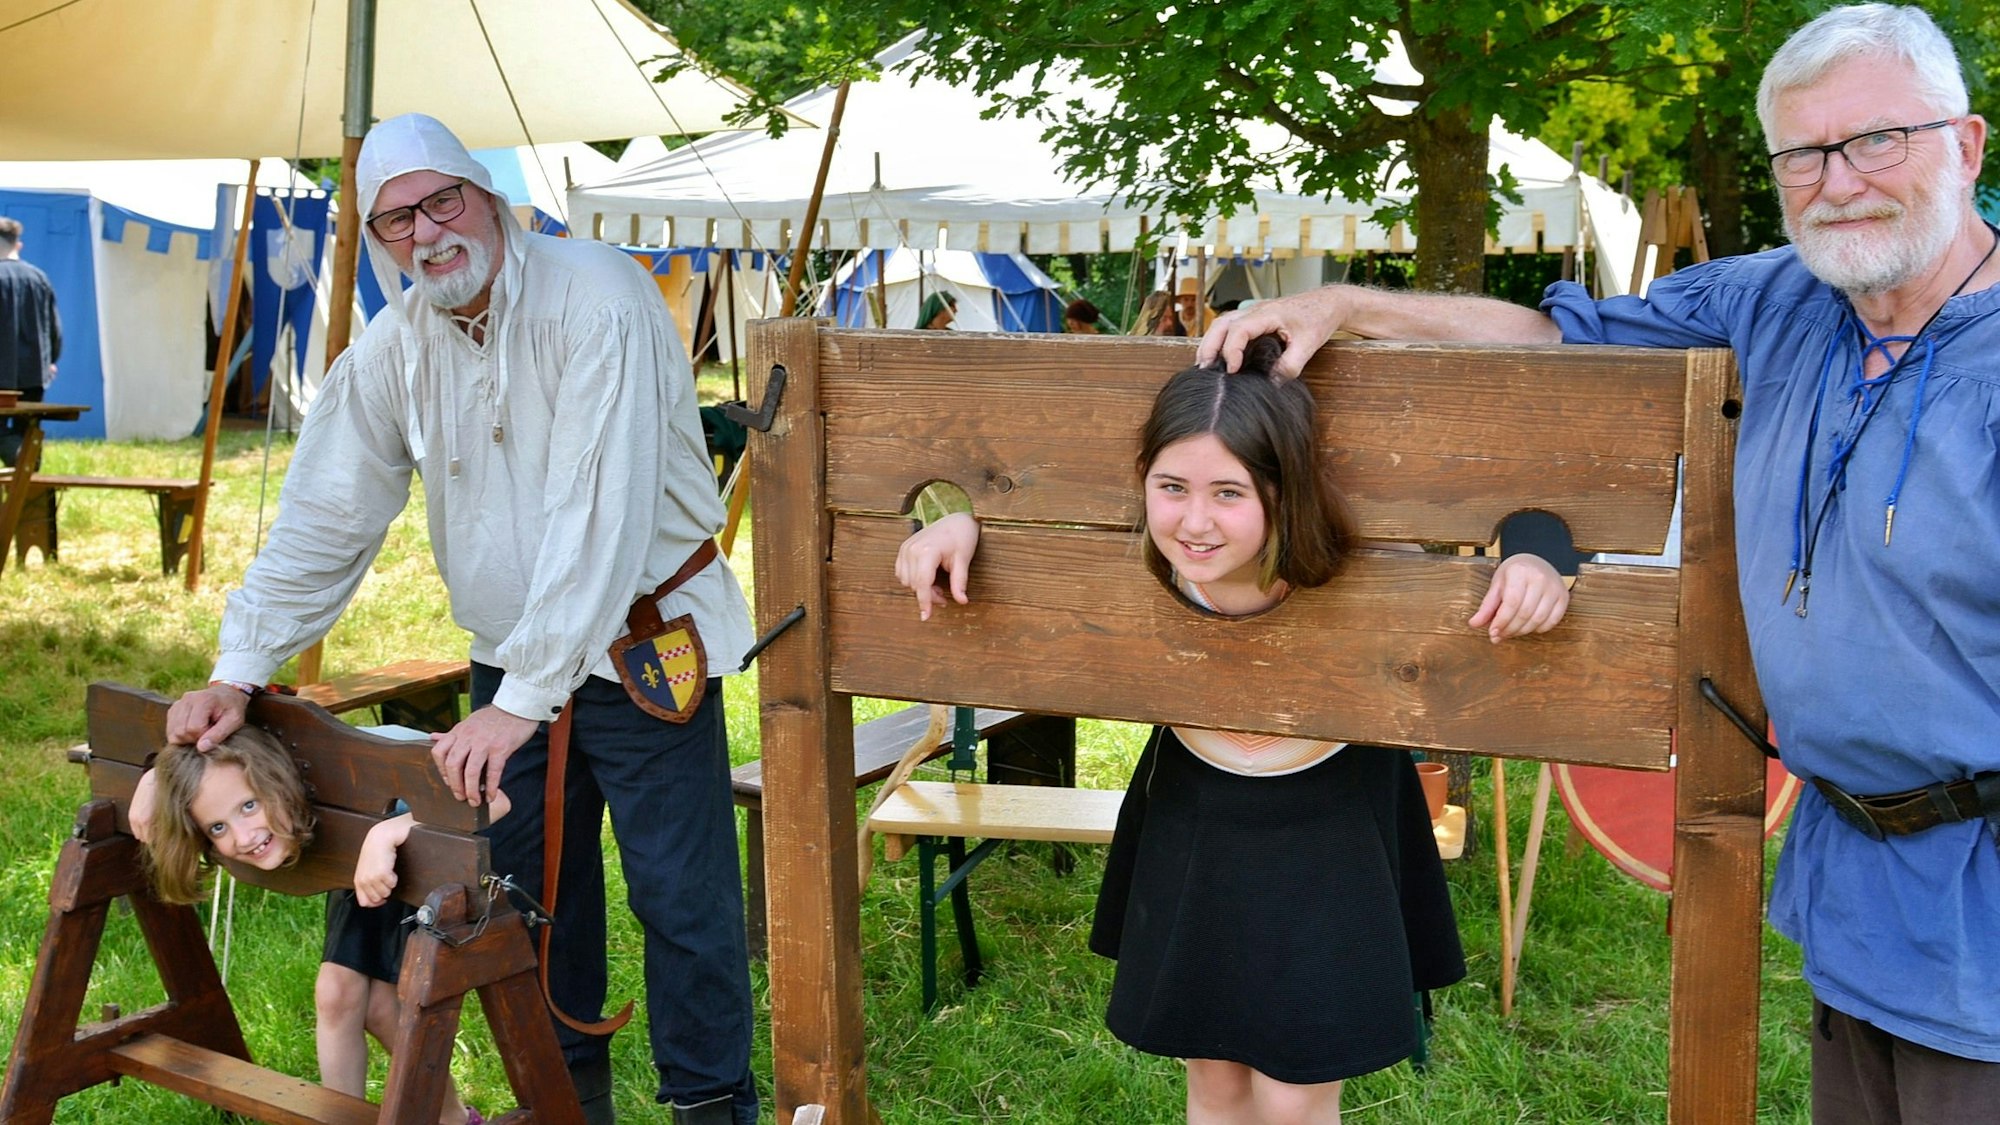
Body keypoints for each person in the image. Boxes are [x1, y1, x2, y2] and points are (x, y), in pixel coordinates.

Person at [1200, 6, 2000, 1119]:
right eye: (1802, 155)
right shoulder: (1774, 305)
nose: (1839, 181)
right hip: (1856, 893)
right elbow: (1554, 344)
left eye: (1875, 141)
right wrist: (1349, 302)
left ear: (1963, 146)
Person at [141, 114, 759, 1125]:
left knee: (680, 899)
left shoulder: (600, 298)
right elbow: (327, 512)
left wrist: (523, 702)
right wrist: (239, 663)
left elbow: (595, 517)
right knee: (523, 908)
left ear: (488, 198)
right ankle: (567, 1106)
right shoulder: (396, 348)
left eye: (442, 201)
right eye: (396, 221)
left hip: (640, 647)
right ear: (378, 241)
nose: (428, 233)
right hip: (508, 671)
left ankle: (710, 1107)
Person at [894, 336, 1569, 1122]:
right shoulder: (1128, 559)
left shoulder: (1370, 560)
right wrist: (953, 521)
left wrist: (1537, 555)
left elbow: (1538, 503)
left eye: (1230, 492)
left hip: (1332, 826)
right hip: (1198, 812)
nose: (1194, 520)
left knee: (1293, 1092)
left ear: (1286, 493)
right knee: (1213, 1073)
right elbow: (986, 497)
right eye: (1171, 486)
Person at [136, 728, 495, 1125]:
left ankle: (454, 1120)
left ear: (276, 780)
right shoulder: (234, 774)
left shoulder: (346, 769)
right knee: (338, 995)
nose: (243, 836)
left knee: (373, 1004)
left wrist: (387, 832)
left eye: (249, 806)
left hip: (414, 837)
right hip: (357, 860)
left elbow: (495, 798)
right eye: (216, 828)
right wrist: (155, 775)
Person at [0, 216, 61, 467]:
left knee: (5, 435)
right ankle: (34, 498)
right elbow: (54, 329)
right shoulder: (39, 278)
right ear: (18, 244)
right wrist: (50, 360)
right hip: (34, 373)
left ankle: (20, 461)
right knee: (30, 433)